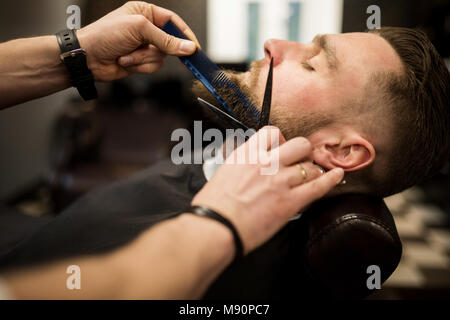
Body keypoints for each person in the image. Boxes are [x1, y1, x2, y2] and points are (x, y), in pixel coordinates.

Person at [0, 1, 448, 298]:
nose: (274, 43)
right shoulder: (230, 162)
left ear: (342, 151)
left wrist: (214, 227)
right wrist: (74, 54)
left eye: (312, 63)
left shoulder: (225, 274)